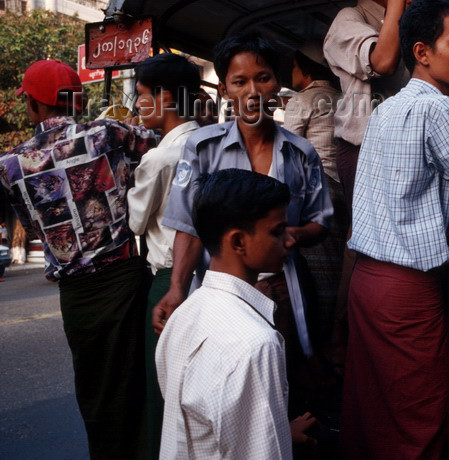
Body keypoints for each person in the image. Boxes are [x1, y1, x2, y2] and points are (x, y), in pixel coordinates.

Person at [342, 0, 449, 456]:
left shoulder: (387, 109)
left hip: (367, 282)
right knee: (417, 422)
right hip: (407, 294)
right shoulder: (438, 111)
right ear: (422, 52)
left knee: (374, 413)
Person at [153, 32, 333, 410]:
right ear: (224, 89)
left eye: (263, 78)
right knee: (228, 397)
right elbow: (188, 226)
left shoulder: (301, 154)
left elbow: (321, 223)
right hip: (221, 296)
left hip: (284, 290)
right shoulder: (201, 148)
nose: (253, 91)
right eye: (240, 81)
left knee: (285, 389)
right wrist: (175, 289)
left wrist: (287, 234)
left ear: (277, 83)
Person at [0, 59, 159, 459]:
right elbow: (164, 148)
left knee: (95, 391)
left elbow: (35, 228)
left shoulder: (10, 166)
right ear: (78, 100)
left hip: (77, 294)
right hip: (125, 277)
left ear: (35, 106)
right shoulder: (110, 133)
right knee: (136, 385)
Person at [156, 169, 300, 459]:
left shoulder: (185, 316)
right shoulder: (255, 344)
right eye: (276, 231)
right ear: (237, 242)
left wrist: (282, 430)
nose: (289, 240)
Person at [125, 53, 202, 460]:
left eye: (140, 96)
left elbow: (136, 222)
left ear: (165, 97)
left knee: (164, 395)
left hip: (169, 282)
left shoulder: (159, 158)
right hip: (211, 280)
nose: (137, 105)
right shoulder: (210, 141)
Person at [283, 42, 348, 354]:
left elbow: (288, 147)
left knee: (315, 269)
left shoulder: (304, 98)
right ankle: (336, 330)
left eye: (293, 67)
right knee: (336, 265)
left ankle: (319, 344)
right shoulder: (342, 98)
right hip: (341, 188)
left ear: (305, 70)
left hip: (314, 187)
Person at [323, 0, 411, 208]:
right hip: (364, 151)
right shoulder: (349, 18)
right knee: (369, 233)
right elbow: (383, 61)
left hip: (406, 144)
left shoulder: (412, 22)